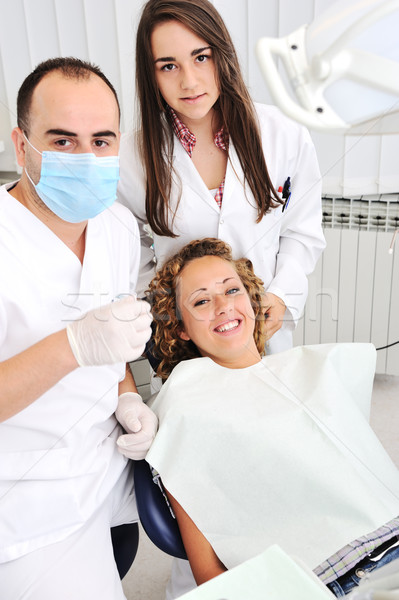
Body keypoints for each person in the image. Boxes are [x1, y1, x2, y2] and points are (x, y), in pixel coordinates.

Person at [145, 237, 399, 599]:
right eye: (201, 300)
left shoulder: (312, 368)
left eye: (232, 290)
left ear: (253, 302)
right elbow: (207, 570)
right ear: (181, 327)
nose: (222, 306)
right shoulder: (186, 404)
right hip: (326, 582)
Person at [0, 57, 157, 600]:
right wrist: (70, 346)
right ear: (22, 147)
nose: (86, 159)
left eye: (101, 140)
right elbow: (86, 342)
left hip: (105, 475)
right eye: (63, 141)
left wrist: (128, 397)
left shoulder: (114, 225)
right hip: (26, 503)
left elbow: (110, 346)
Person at [117, 0, 326, 356]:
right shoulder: (129, 157)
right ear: (150, 74)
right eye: (168, 65)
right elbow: (127, 247)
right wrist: (166, 308)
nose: (189, 80)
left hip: (264, 336)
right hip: (185, 343)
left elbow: (301, 232)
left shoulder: (284, 135)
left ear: (222, 54)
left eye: (201, 57)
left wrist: (282, 295)